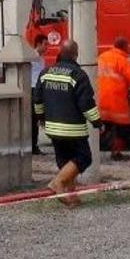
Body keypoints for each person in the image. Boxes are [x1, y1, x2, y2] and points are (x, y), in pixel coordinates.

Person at [33, 40, 101, 207]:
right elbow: (86, 103)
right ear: (75, 55)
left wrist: (41, 117)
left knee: (65, 162)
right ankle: (57, 183)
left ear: (59, 53)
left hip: (52, 128)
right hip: (73, 129)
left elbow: (37, 100)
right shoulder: (78, 75)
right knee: (83, 158)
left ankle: (71, 196)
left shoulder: (46, 73)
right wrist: (97, 122)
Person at [97, 37, 130, 161]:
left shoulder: (102, 57)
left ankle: (95, 147)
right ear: (124, 47)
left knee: (103, 125)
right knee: (124, 128)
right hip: (116, 102)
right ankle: (116, 152)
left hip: (100, 100)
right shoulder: (122, 60)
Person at [30, 34, 48, 155]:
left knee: (37, 118)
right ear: (39, 44)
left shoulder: (41, 58)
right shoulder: (32, 57)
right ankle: (33, 146)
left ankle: (34, 145)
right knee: (33, 119)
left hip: (39, 89)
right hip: (33, 90)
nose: (46, 47)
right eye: (45, 44)